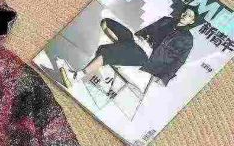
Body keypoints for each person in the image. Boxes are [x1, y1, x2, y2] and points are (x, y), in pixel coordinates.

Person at [59, 6, 201, 89]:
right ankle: (119, 51)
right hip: (136, 41)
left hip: (147, 55)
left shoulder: (187, 39)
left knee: (107, 51)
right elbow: (147, 30)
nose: (185, 15)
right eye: (185, 12)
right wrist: (137, 37)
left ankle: (76, 76)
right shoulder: (166, 20)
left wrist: (165, 78)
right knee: (107, 23)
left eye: (189, 15)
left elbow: (179, 61)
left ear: (192, 21)